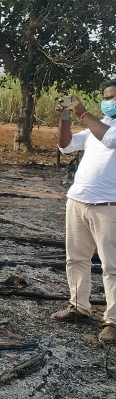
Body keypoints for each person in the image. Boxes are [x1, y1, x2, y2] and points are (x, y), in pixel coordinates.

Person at [51, 79, 116, 343]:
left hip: (109, 206)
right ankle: (79, 306)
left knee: (112, 265)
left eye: (112, 97)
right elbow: (65, 145)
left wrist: (83, 113)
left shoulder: (102, 128)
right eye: (106, 97)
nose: (108, 101)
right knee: (76, 258)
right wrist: (65, 118)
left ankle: (113, 320)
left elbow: (110, 140)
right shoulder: (96, 127)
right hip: (78, 201)